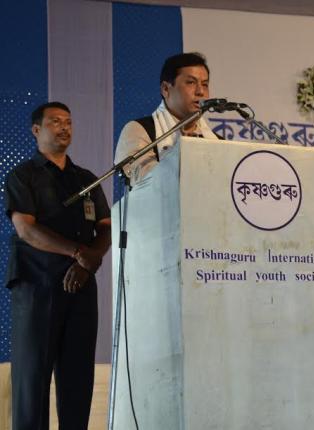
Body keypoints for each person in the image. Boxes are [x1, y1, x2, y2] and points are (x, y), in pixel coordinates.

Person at [4, 102, 111, 429]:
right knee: (32, 378)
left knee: (78, 378)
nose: (64, 127)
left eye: (68, 122)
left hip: (80, 285)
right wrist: (79, 252)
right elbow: (26, 229)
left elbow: (106, 227)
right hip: (37, 286)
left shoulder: (86, 179)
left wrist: (87, 263)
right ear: (36, 130)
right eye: (55, 122)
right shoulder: (23, 176)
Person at [114, 52, 220, 183]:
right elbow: (145, 184)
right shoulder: (139, 131)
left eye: (205, 84)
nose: (200, 92)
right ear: (165, 89)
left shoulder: (218, 143)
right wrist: (182, 151)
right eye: (191, 82)